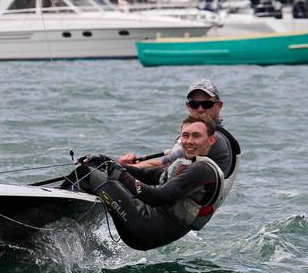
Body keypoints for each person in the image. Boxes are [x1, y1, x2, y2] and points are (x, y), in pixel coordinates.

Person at [71, 114, 229, 251]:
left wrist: (120, 174)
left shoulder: (201, 169)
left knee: (88, 174)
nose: (189, 141)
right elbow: (145, 174)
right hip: (149, 233)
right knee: (101, 174)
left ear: (211, 140)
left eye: (196, 136)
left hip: (145, 226)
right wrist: (107, 161)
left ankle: (53, 210)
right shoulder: (189, 165)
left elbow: (157, 197)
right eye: (185, 136)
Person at [118, 79, 240, 182]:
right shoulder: (199, 136)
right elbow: (161, 165)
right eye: (194, 104)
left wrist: (121, 169)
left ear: (219, 105)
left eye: (207, 104)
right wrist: (129, 165)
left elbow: (161, 166)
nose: (200, 109)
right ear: (188, 106)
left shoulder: (213, 140)